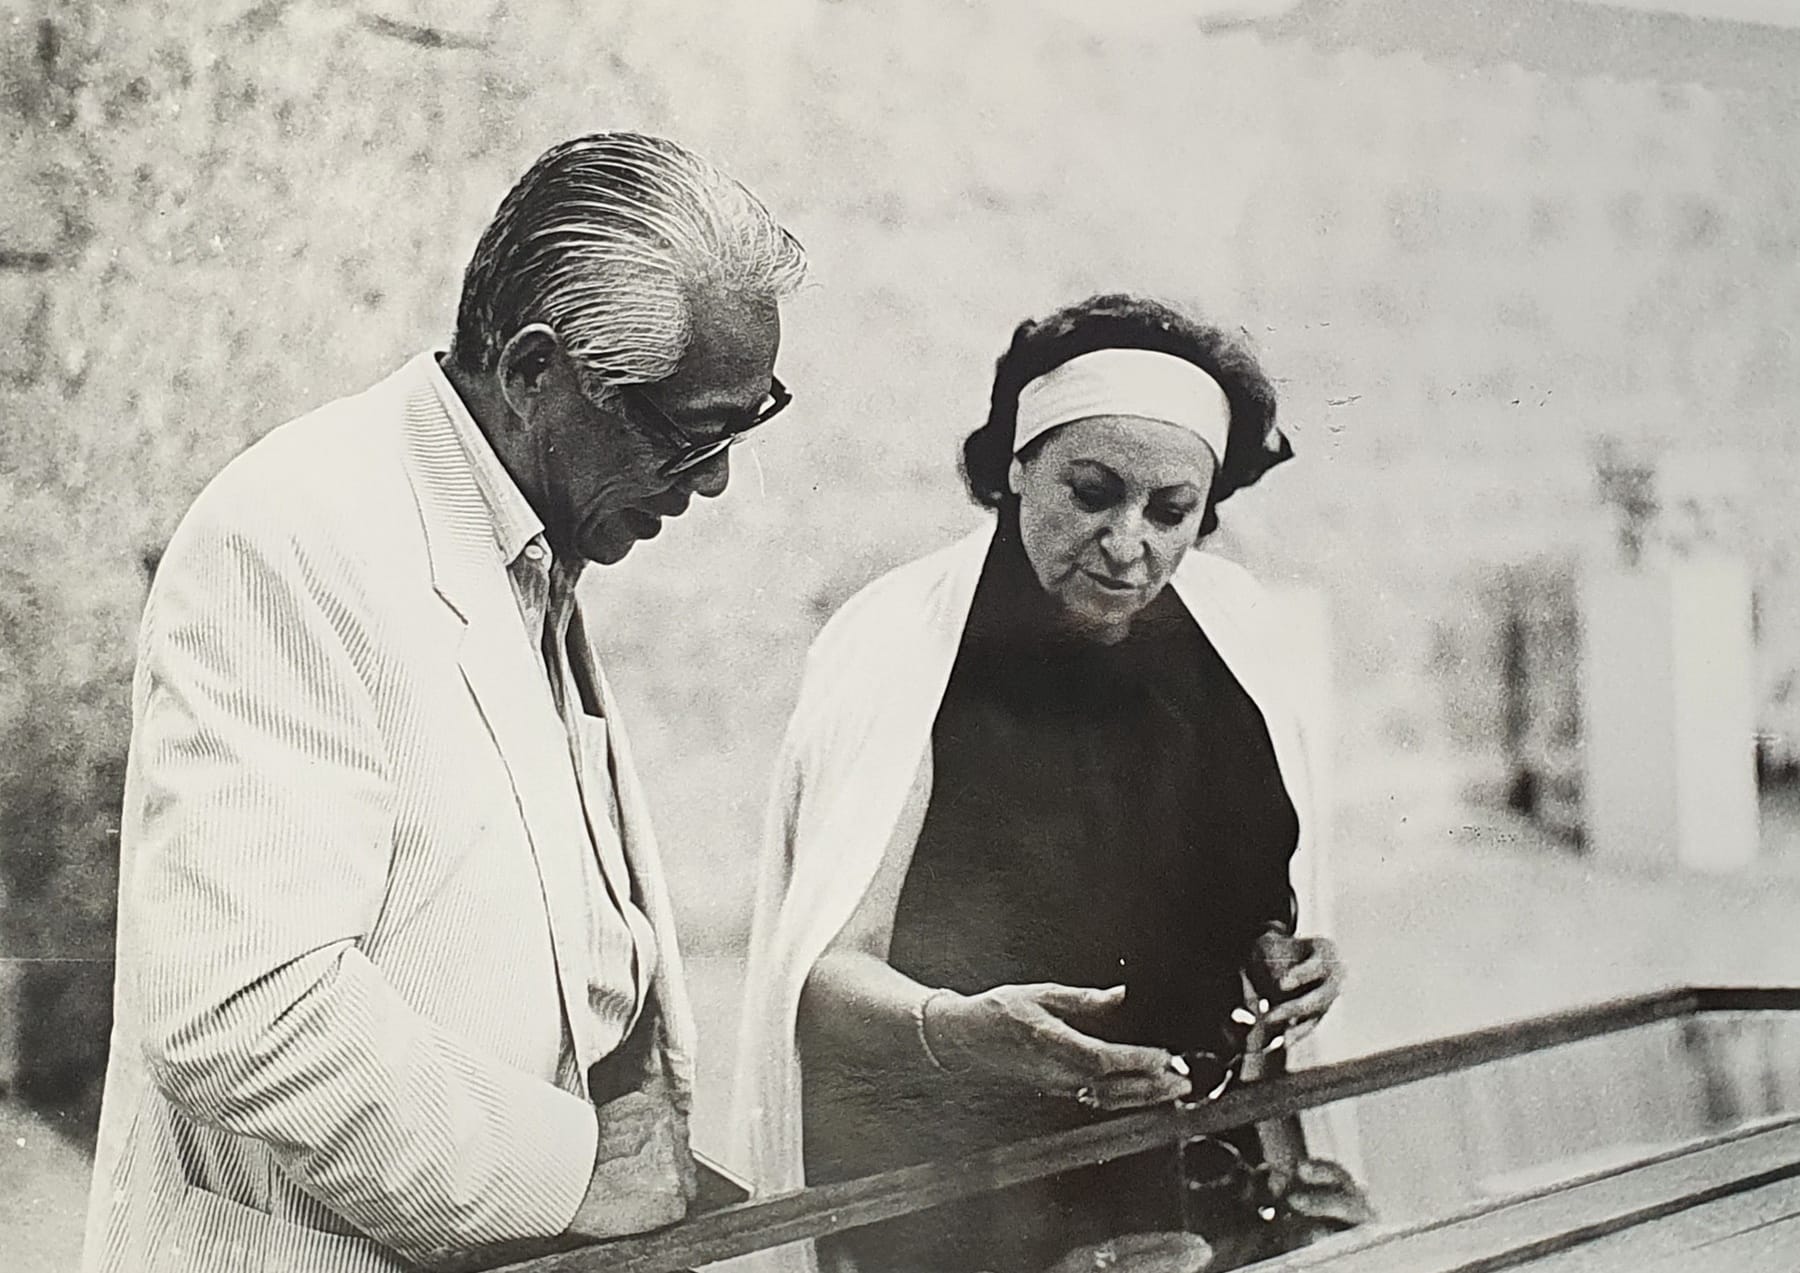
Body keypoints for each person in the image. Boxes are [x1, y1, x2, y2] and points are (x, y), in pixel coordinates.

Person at [82, 132, 807, 1273]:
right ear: (531, 373)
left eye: (742, 424)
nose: (711, 478)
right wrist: (574, 1170)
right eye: (685, 430)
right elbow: (237, 1007)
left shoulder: (527, 535)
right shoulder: (298, 535)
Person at [730, 294, 1348, 1273]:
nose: (1127, 542)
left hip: (1197, 1174)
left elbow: (1252, 884)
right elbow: (822, 981)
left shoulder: (1232, 635)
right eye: (1092, 492)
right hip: (970, 1200)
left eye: (1171, 511)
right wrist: (964, 1032)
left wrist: (1285, 956)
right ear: (1016, 467)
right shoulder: (906, 648)